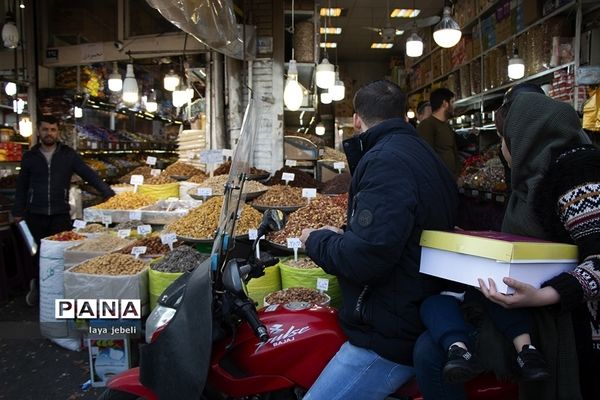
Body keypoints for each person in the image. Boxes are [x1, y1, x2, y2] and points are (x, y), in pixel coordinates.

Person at [413, 83, 594, 400]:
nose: (501, 147)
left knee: (429, 350)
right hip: (521, 305)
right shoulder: (532, 175)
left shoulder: (575, 173)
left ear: (523, 137)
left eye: (503, 138)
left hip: (562, 318)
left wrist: (543, 296)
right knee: (432, 337)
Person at [298, 80, 459, 400]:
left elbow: (366, 258)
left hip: (388, 334)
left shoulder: (385, 160)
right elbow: (397, 232)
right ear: (403, 114)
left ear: (356, 119)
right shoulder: (422, 153)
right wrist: (350, 235)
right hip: (413, 307)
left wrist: (316, 240)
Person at [12, 115, 115, 306]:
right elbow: (22, 186)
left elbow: (88, 173)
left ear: (58, 132)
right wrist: (18, 211)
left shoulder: (68, 155)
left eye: (52, 130)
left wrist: (107, 192)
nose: (49, 133)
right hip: (35, 213)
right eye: (45, 130)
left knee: (61, 253)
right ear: (39, 131)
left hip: (60, 213)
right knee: (38, 254)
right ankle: (40, 289)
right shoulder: (30, 157)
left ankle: (59, 290)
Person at [417, 88, 461, 177]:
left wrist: (457, 174)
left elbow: (454, 152)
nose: (454, 106)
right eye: (452, 102)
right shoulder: (427, 125)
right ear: (445, 104)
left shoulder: (447, 126)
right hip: (438, 181)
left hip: (451, 180)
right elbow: (426, 157)